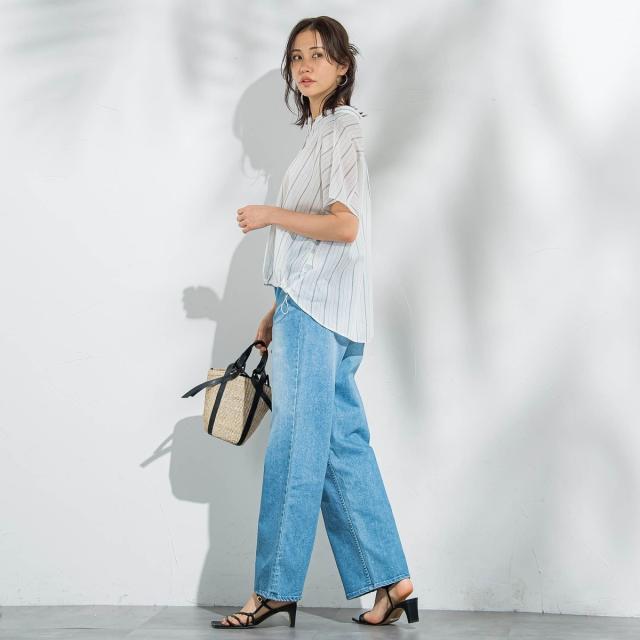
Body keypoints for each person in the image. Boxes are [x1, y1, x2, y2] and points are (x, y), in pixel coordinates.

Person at [213, 16, 418, 629]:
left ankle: (274, 588)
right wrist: (277, 310)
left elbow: (344, 225)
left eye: (319, 55)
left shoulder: (342, 131)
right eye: (297, 56)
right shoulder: (323, 133)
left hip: (318, 317)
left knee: (295, 450)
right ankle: (391, 581)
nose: (306, 66)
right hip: (324, 312)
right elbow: (321, 250)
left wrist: (270, 214)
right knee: (342, 446)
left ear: (343, 66)